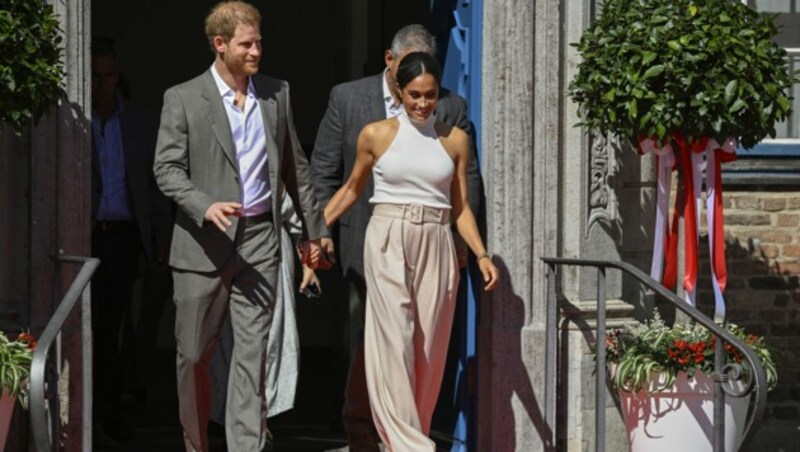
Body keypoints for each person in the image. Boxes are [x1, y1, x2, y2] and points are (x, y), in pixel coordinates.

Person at [152, 2, 329, 450]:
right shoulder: (184, 97)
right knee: (193, 356)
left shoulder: (276, 93)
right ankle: (197, 444)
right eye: (246, 44)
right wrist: (204, 205)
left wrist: (315, 231)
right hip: (202, 245)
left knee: (252, 359)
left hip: (259, 242)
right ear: (220, 45)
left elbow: (296, 168)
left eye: (259, 42)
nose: (256, 52)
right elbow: (166, 168)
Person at [310, 24, 481, 451]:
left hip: (438, 241)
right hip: (384, 237)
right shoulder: (370, 125)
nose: (424, 102)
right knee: (393, 343)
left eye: (431, 94)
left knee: (429, 351)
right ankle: (408, 444)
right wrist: (314, 233)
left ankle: (407, 438)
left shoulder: (454, 130)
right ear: (396, 78)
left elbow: (463, 197)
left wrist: (479, 252)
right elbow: (344, 184)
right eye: (415, 94)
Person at [90, 36, 173, 443]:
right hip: (84, 234)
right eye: (97, 75)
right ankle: (90, 408)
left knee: (114, 324)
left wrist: (160, 236)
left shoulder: (138, 121)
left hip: (124, 236)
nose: (104, 83)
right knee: (85, 324)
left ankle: (111, 408)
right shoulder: (72, 119)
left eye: (110, 75)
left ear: (119, 75)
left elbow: (154, 182)